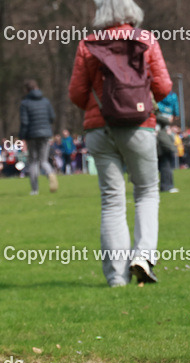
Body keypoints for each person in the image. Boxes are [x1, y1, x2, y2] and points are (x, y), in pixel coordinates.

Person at [69, 0, 172, 286]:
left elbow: (76, 93)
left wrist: (100, 103)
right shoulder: (145, 40)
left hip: (100, 128)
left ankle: (116, 276)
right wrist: (140, 101)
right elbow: (163, 86)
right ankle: (143, 256)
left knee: (112, 200)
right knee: (147, 192)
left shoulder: (87, 44)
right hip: (139, 127)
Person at [19, 79, 58, 195]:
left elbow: (24, 122)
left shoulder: (25, 103)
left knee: (33, 161)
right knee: (44, 160)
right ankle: (50, 173)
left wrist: (22, 137)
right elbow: (52, 117)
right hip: (45, 134)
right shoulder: (46, 101)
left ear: (27, 90)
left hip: (32, 135)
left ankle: (35, 189)